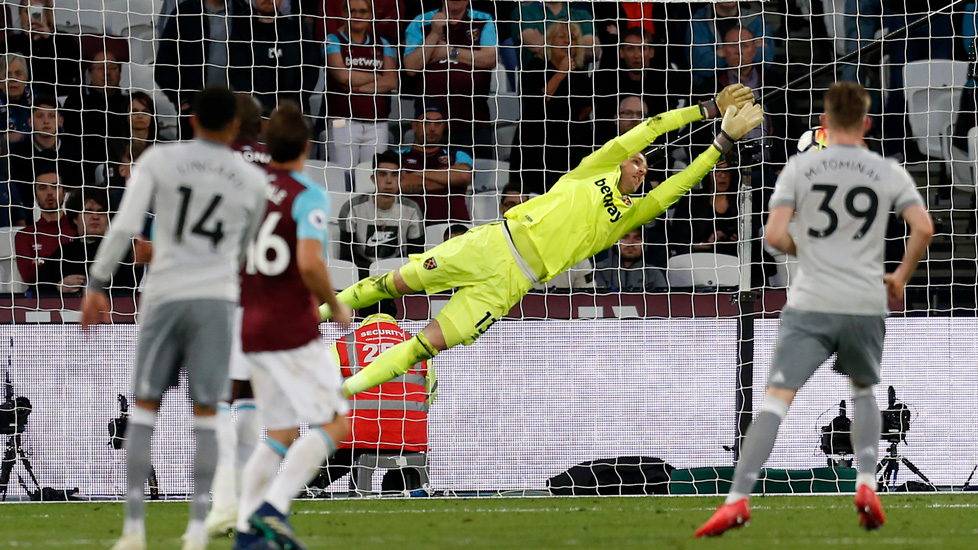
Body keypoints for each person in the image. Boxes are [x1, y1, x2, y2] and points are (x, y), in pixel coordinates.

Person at [320, 85, 762, 398]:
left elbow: (682, 182)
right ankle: (316, 313)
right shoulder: (594, 168)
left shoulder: (629, 214)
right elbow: (649, 128)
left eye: (646, 169)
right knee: (393, 283)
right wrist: (704, 110)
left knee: (425, 345)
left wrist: (722, 141)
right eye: (637, 159)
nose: (641, 165)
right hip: (491, 244)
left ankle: (344, 390)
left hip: (512, 282)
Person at [694, 82, 934, 538]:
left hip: (811, 299)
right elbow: (923, 228)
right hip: (861, 297)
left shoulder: (799, 171)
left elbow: (773, 237)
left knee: (775, 401)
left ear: (822, 125)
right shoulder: (882, 170)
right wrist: (900, 277)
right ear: (863, 124)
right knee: (864, 393)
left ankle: (737, 497)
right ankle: (866, 483)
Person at [80, 86, 268, 550]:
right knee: (208, 414)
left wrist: (97, 282)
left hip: (163, 295)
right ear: (234, 127)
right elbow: (244, 253)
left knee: (144, 410)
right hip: (216, 301)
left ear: (192, 119)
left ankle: (133, 530)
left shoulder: (158, 162)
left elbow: (124, 225)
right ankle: (199, 529)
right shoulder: (253, 182)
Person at [231, 101, 351, 550]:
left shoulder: (248, 189)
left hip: (252, 326)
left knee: (280, 431)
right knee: (335, 422)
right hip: (290, 327)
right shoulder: (308, 193)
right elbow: (309, 261)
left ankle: (246, 530)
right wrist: (334, 305)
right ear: (306, 146)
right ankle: (274, 507)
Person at [204, 92, 272, 538]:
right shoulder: (277, 163)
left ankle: (223, 499)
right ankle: (247, 499)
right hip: (267, 290)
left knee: (216, 399)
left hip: (219, 287)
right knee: (250, 395)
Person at [311, 313, 435, 493]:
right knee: (403, 468)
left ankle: (308, 488)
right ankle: (394, 495)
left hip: (356, 434)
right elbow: (430, 392)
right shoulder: (417, 345)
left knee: (334, 457)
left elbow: (321, 390)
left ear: (360, 315)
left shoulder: (344, 344)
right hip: (408, 434)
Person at [403, 0, 498, 157]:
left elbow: (490, 59)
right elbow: (411, 67)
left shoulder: (483, 20)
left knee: (478, 178)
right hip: (431, 125)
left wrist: (449, 52)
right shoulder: (421, 21)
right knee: (430, 176)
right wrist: (433, 34)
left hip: (474, 122)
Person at [510, 20, 594, 194]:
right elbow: (536, 103)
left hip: (570, 143)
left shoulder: (580, 72)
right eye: (562, 37)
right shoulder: (535, 67)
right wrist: (561, 73)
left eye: (573, 38)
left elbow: (587, 106)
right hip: (537, 142)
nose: (567, 42)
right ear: (550, 41)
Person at [324, 0, 398, 170]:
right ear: (344, 14)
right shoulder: (333, 39)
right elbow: (342, 76)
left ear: (370, 15)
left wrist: (356, 87)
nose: (357, 15)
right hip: (342, 121)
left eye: (363, 11)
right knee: (343, 178)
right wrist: (376, 75)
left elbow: (392, 81)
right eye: (352, 10)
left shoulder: (382, 43)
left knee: (370, 179)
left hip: (377, 123)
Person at [156, 0, 247, 138]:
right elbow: (164, 64)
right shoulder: (184, 12)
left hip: (237, 111)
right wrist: (182, 99)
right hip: (195, 111)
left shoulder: (245, 13)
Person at [36, 190, 142, 295]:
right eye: (88, 211)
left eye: (100, 211)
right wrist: (58, 288)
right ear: (75, 218)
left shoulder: (124, 251)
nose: (95, 217)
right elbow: (35, 291)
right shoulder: (63, 253)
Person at [228, 0, 321, 115]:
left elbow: (310, 71)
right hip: (257, 117)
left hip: (295, 115)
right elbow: (238, 76)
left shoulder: (297, 31)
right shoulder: (241, 33)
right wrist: (268, 107)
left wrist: (292, 103)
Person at [338, 150, 424, 271]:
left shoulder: (411, 210)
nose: (388, 181)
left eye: (394, 175)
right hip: (360, 274)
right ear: (373, 178)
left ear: (401, 178)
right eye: (383, 174)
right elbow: (347, 259)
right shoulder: (352, 209)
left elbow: (416, 257)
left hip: (396, 274)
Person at [396, 104, 473, 225]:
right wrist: (449, 181)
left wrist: (417, 174)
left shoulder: (458, 155)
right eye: (426, 122)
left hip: (455, 229)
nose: (432, 128)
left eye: (438, 123)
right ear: (415, 126)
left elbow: (463, 176)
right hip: (413, 229)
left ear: (444, 126)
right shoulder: (398, 156)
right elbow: (400, 185)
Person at [7, 96, 85, 203]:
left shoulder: (73, 151)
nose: (46, 121)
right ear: (30, 122)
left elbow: (78, 190)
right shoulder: (19, 154)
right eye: (40, 116)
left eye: (52, 116)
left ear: (61, 121)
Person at [61, 51, 131, 167]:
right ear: (90, 74)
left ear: (120, 75)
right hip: (83, 166)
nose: (107, 73)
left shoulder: (129, 102)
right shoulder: (77, 100)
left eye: (112, 68)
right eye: (100, 68)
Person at [2, 0, 82, 97]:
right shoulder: (11, 43)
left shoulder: (65, 41)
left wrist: (49, 38)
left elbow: (73, 71)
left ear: (48, 14)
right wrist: (29, 40)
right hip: (22, 100)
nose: (32, 17)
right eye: (27, 11)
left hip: (59, 98)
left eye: (38, 12)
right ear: (20, 14)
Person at [686, 1, 774, 88]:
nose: (738, 51)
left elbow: (765, 59)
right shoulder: (698, 21)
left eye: (745, 46)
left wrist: (722, 54)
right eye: (732, 46)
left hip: (754, 86)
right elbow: (702, 65)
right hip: (712, 89)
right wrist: (748, 48)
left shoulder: (756, 20)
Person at [13, 170, 76, 286]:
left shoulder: (78, 228)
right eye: (42, 188)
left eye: (55, 186)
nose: (49, 193)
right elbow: (30, 276)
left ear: (64, 193)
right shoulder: (25, 236)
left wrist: (44, 264)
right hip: (39, 299)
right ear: (35, 197)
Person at [510, 0, 595, 65]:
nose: (566, 42)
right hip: (538, 78)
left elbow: (593, 51)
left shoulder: (582, 15)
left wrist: (545, 40)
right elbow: (535, 45)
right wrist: (576, 44)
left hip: (577, 78)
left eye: (572, 38)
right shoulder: (522, 12)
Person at [594, 228, 665, 292]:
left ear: (644, 244)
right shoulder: (599, 270)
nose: (631, 243)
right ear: (615, 242)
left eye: (637, 238)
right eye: (625, 237)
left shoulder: (653, 273)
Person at [0, 53, 32, 155]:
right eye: (8, 75)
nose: (13, 79)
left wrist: (23, 136)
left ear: (25, 79)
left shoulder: (41, 101)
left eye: (18, 74)